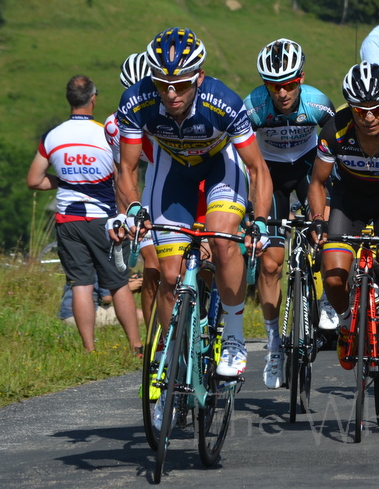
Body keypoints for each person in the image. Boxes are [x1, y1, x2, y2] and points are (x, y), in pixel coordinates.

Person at [109, 27, 273, 393]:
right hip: (173, 172)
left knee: (223, 241)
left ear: (198, 77)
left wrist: (259, 220)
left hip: (219, 167)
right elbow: (128, 168)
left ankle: (232, 336)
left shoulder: (223, 102)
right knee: (168, 275)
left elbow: (258, 168)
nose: (170, 94)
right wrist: (133, 207)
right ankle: (176, 354)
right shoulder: (137, 102)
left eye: (181, 85)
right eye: (163, 84)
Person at [308, 62, 379, 389]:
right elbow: (318, 182)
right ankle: (346, 325)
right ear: (351, 107)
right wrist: (318, 220)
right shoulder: (334, 131)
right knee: (332, 276)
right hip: (349, 200)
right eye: (360, 111)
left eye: (377, 109)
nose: (369, 117)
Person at [243, 38, 336, 388]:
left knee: (325, 229)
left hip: (309, 168)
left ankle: (326, 296)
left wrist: (328, 202)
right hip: (271, 173)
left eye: (289, 84)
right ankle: (274, 344)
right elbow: (244, 163)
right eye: (273, 85)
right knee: (270, 263)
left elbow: (336, 150)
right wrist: (252, 209)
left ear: (301, 78)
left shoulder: (317, 104)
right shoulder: (252, 106)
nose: (282, 93)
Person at [27, 75, 142, 353]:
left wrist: (63, 182)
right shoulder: (106, 134)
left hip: (68, 220)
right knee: (117, 284)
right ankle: (136, 345)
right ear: (94, 98)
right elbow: (122, 179)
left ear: (70, 100)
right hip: (104, 219)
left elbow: (34, 180)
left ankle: (89, 350)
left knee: (80, 284)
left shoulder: (53, 137)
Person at [104, 51, 160, 330]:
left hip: (187, 175)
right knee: (153, 268)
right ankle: (156, 346)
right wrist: (122, 216)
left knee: (207, 254)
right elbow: (124, 174)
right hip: (153, 182)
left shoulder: (172, 110)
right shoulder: (116, 125)